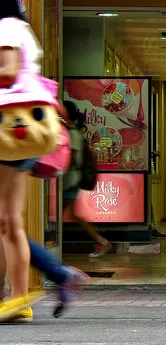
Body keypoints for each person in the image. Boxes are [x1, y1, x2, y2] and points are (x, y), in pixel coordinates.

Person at [0, 0, 51, 321]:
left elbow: (6, 70)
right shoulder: (22, 28)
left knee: (8, 221)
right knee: (8, 221)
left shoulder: (5, 28)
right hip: (22, 131)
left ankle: (18, 297)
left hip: (8, 128)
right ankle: (17, 297)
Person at [61, 100, 111, 258]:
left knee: (71, 214)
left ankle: (101, 241)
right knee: (69, 214)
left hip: (71, 180)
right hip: (70, 180)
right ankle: (101, 241)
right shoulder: (71, 132)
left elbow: (73, 160)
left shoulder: (72, 134)